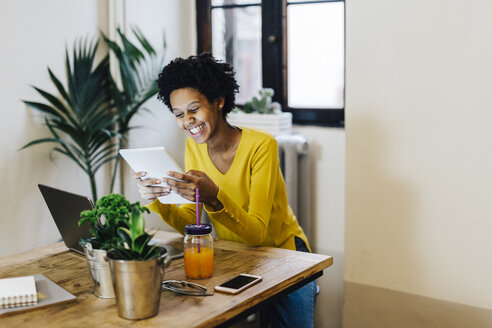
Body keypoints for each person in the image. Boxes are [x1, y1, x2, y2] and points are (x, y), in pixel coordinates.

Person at [133, 53, 317, 327]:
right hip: (236, 253)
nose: (188, 121)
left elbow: (257, 234)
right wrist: (159, 200)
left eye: (194, 109)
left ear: (219, 101)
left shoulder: (261, 146)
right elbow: (189, 222)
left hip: (285, 253)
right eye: (179, 114)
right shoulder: (194, 147)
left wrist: (214, 196)